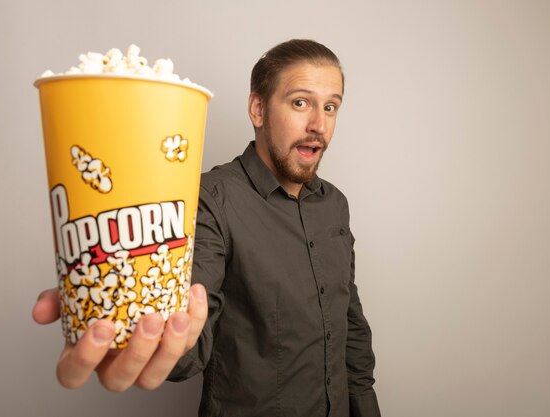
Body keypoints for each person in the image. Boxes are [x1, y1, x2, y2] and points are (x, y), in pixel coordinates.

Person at [33, 39, 380, 417]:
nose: (319, 125)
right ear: (258, 109)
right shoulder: (208, 200)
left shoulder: (335, 205)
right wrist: (141, 336)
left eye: (331, 107)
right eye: (300, 103)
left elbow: (351, 327)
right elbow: (189, 342)